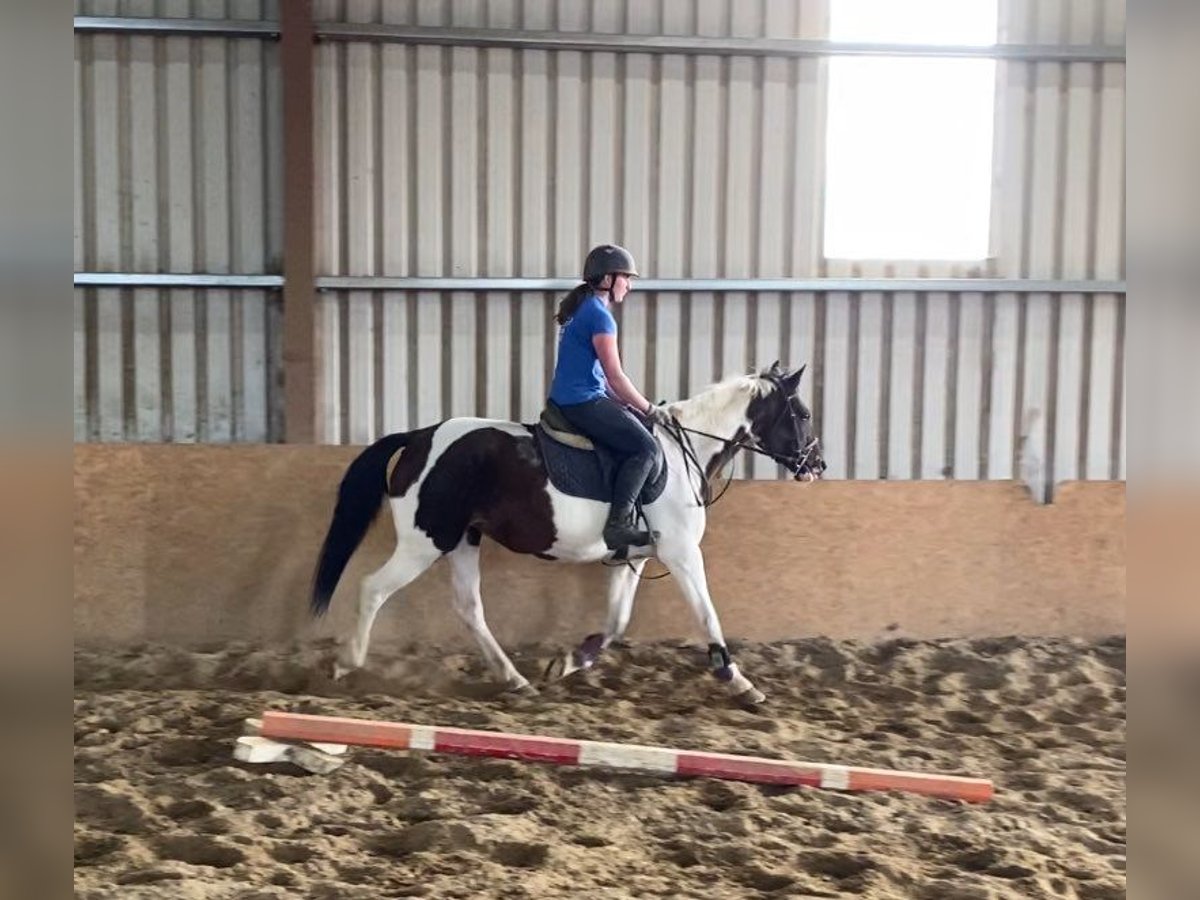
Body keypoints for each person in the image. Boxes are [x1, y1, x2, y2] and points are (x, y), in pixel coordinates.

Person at [548, 244, 672, 551]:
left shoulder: (583, 308)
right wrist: (651, 409)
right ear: (607, 278)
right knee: (645, 448)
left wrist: (632, 406)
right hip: (583, 401)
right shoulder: (600, 317)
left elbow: (605, 380)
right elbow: (616, 376)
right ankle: (618, 525)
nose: (629, 285)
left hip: (575, 397)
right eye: (625, 278)